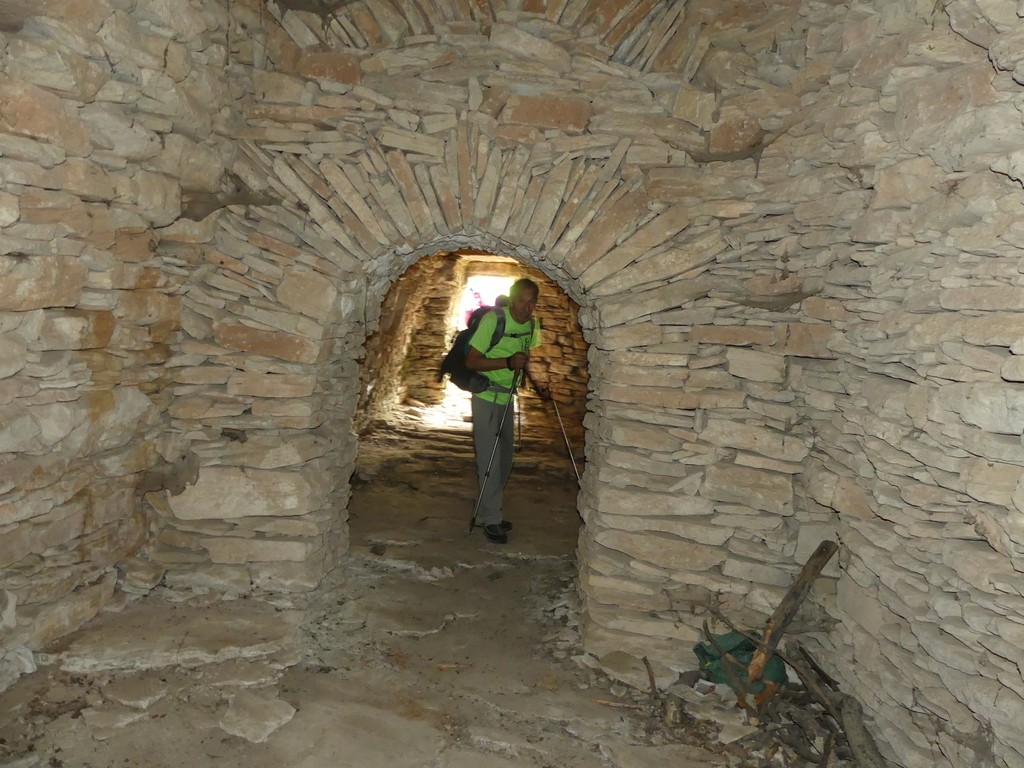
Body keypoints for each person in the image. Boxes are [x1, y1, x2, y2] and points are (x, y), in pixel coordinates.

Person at [465, 278, 548, 543]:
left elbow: (527, 359)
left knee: (504, 460)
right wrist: (508, 362)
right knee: (488, 460)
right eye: (522, 300)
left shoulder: (533, 325)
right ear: (512, 300)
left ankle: (488, 509)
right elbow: (472, 361)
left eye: (532, 301)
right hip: (486, 395)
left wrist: (537, 385)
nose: (527, 306)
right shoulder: (494, 320)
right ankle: (492, 519)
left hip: (507, 398)